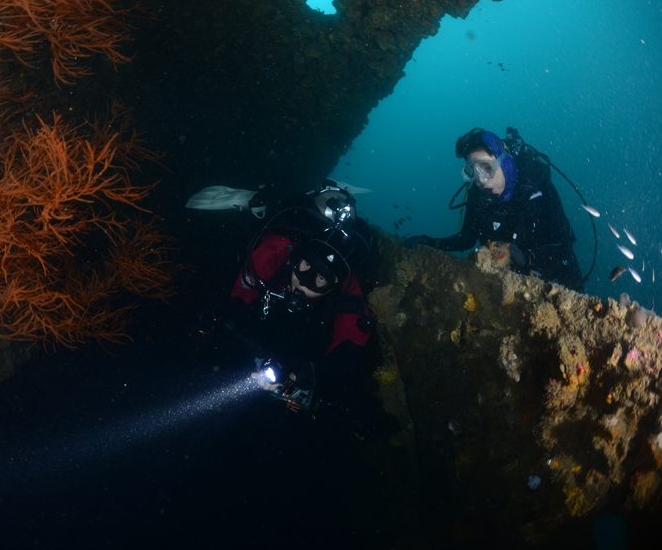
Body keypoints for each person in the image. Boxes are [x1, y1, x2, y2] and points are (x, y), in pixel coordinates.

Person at [220, 185, 373, 409]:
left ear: (334, 285)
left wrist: (307, 373)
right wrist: (259, 351)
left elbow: (351, 341)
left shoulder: (347, 283)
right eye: (305, 267)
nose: (303, 283)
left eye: (321, 279)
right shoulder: (277, 250)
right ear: (294, 259)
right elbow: (239, 298)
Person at [406, 128, 584, 292]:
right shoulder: (478, 196)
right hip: (507, 288)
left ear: (504, 163)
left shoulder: (537, 188)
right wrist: (434, 243)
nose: (481, 180)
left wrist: (528, 258)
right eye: (472, 171)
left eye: (486, 168)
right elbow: (467, 238)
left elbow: (564, 246)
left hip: (558, 283)